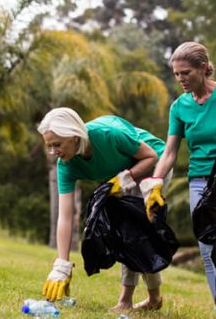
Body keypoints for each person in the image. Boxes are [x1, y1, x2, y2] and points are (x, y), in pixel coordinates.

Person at [142, 41, 216, 319]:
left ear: (204, 68)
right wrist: (156, 182)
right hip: (199, 182)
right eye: (176, 74)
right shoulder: (180, 107)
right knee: (207, 249)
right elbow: (170, 151)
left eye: (186, 72)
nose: (181, 79)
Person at [37, 108, 171, 312]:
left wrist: (124, 179)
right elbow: (65, 216)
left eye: (57, 145)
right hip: (122, 174)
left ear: (74, 136)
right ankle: (146, 300)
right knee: (127, 232)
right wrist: (62, 265)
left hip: (152, 165)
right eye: (49, 146)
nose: (53, 152)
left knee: (135, 231)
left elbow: (150, 156)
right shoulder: (66, 166)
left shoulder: (107, 134)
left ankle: (136, 300)